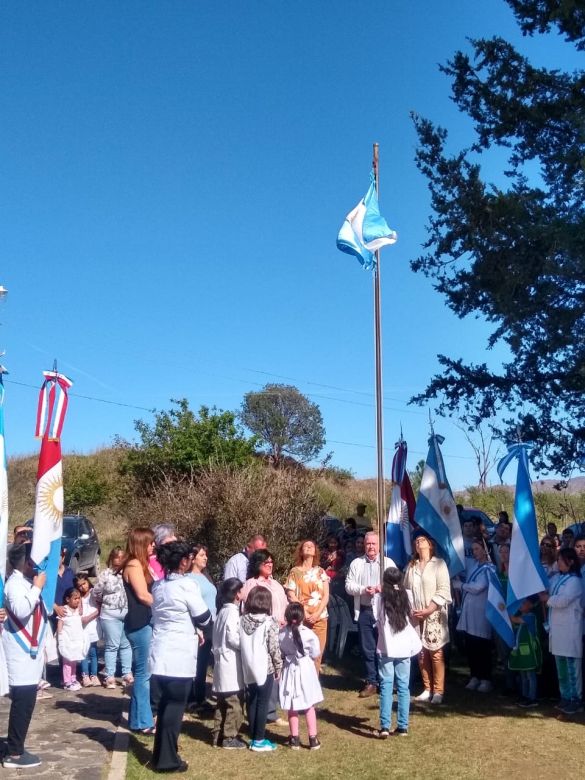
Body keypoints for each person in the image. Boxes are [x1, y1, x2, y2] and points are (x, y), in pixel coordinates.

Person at [149, 541, 211, 772]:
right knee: (175, 708)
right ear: (183, 561)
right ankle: (167, 760)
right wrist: (200, 626)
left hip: (160, 651)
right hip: (178, 654)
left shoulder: (158, 586)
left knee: (165, 706)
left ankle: (161, 755)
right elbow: (203, 616)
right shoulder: (186, 585)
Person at [1, 542, 47, 769]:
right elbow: (21, 610)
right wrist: (38, 587)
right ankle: (14, 754)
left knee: (27, 701)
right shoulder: (15, 584)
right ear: (27, 561)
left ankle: (16, 746)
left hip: (29, 653)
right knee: (23, 702)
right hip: (19, 651)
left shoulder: (24, 582)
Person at [403, 530, 451, 705]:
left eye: (421, 540)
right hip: (416, 615)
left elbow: (443, 590)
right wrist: (411, 609)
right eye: (416, 541)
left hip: (434, 614)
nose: (418, 543)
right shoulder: (411, 566)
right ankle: (427, 688)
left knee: (436, 653)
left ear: (430, 544)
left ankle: (438, 690)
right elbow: (405, 589)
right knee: (421, 653)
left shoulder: (439, 564)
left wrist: (429, 609)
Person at [345, 531, 395, 697]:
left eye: (374, 544)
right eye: (368, 544)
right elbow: (348, 586)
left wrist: (383, 588)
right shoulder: (356, 563)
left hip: (384, 611)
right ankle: (371, 682)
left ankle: (386, 681)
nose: (371, 547)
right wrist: (362, 590)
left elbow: (396, 585)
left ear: (379, 545)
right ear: (364, 545)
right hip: (365, 611)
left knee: (386, 647)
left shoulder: (388, 562)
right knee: (367, 648)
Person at [374, 568, 422, 737]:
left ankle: (385, 726)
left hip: (386, 646)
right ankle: (403, 726)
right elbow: (411, 615)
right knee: (403, 686)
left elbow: (377, 619)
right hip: (403, 647)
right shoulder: (407, 594)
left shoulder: (379, 598)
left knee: (386, 685)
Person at [539, 547, 584, 715]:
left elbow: (564, 600)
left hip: (570, 629)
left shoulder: (575, 581)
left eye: (561, 560)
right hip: (557, 630)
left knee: (572, 667)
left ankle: (576, 699)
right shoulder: (559, 578)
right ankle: (565, 696)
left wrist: (548, 599)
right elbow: (550, 592)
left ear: (570, 562)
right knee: (561, 667)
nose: (558, 563)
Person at [239, 586, 283, 752]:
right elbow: (274, 647)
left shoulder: (242, 620)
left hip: (247, 666)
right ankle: (259, 739)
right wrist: (278, 666)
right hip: (265, 668)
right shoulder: (269, 622)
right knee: (263, 702)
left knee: (252, 700)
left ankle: (253, 733)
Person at [121, 526, 156, 734]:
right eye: (150, 543)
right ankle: (142, 721)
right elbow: (143, 595)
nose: (153, 546)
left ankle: (138, 718)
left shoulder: (143, 565)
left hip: (144, 622)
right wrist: (165, 604)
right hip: (139, 623)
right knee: (143, 675)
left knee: (145, 673)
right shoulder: (133, 564)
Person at [279, 603, 323, 750]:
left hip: (290, 668)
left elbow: (281, 651)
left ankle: (295, 738)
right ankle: (313, 738)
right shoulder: (309, 634)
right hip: (305, 669)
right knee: (309, 703)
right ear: (302, 617)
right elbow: (316, 653)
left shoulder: (281, 634)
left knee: (292, 705)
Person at [284, 540, 329, 671]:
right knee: (301, 655)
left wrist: (316, 614)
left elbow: (326, 595)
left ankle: (313, 688)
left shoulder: (321, 571)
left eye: (311, 546)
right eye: (306, 546)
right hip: (301, 618)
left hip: (320, 619)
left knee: (317, 656)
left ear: (315, 552)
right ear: (301, 551)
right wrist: (305, 613)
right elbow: (291, 594)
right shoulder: (295, 571)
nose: (309, 547)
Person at [211, 578, 246, 750]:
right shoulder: (232, 612)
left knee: (221, 703)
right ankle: (229, 737)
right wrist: (246, 644)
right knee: (235, 703)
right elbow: (233, 638)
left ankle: (217, 734)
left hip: (221, 662)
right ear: (237, 594)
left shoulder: (221, 612)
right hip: (229, 663)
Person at [456, 540, 494, 693]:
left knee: (482, 646)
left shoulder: (490, 569)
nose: (475, 552)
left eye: (477, 548)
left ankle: (486, 678)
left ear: (486, 550)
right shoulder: (473, 566)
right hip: (469, 610)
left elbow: (479, 587)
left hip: (481, 611)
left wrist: (461, 586)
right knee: (471, 645)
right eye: (473, 549)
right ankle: (475, 676)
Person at [93, 546, 133, 689]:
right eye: (116, 556)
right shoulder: (105, 574)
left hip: (126, 613)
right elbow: (96, 592)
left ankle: (127, 673)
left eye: (122, 557)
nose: (119, 560)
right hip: (109, 614)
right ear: (111, 558)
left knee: (126, 644)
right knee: (112, 645)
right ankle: (109, 675)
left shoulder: (128, 573)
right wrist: (101, 603)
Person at [187, 543, 217, 711]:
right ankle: (192, 699)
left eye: (205, 555)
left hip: (211, 624)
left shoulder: (205, 576)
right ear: (192, 558)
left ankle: (200, 697)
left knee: (203, 664)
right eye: (201, 555)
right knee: (196, 663)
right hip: (200, 626)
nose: (205, 557)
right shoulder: (190, 579)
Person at [240, 549, 288, 626]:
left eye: (271, 562)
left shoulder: (276, 584)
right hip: (263, 631)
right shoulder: (251, 584)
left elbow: (286, 605)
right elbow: (248, 613)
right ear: (257, 564)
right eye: (266, 562)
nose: (270, 565)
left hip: (282, 631)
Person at [509, 596, 542, 708]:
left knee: (530, 675)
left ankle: (532, 697)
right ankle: (524, 695)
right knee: (523, 674)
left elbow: (514, 620)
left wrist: (506, 611)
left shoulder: (530, 617)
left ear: (530, 605)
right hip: (522, 651)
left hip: (529, 652)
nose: (521, 605)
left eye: (524, 603)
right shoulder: (522, 615)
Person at [74, 573, 100, 687]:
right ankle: (85, 675)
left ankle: (94, 675)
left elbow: (99, 609)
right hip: (82, 628)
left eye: (84, 584)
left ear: (88, 581)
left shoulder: (94, 593)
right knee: (84, 652)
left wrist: (88, 618)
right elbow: (79, 611)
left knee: (93, 652)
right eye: (79, 586)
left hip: (93, 626)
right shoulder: (79, 596)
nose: (83, 587)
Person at [57, 587, 85, 691]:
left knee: (74, 660)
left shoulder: (78, 611)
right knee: (67, 661)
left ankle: (73, 678)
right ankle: (67, 681)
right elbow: (60, 623)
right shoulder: (64, 610)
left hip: (76, 640)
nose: (78, 600)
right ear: (68, 599)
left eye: (79, 598)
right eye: (75, 598)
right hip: (67, 640)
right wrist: (60, 636)